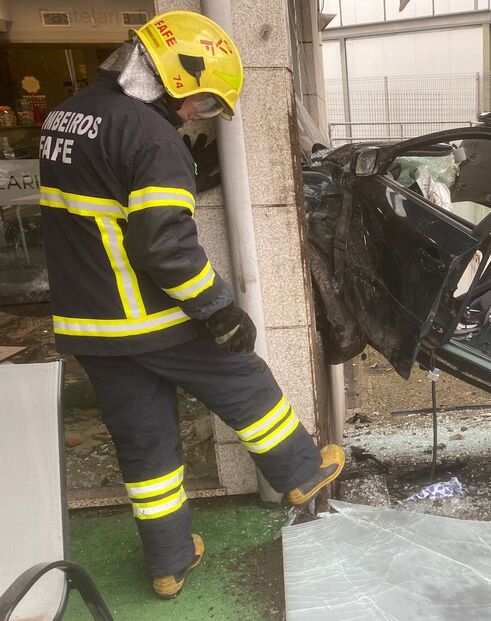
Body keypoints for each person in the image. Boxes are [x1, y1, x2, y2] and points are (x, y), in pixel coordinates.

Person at [38, 11, 344, 599]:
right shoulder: (151, 137)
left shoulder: (66, 114)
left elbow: (103, 198)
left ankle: (169, 562)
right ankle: (302, 473)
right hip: (149, 317)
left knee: (145, 445)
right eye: (197, 102)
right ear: (170, 79)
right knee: (242, 379)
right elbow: (164, 246)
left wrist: (180, 174)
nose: (192, 116)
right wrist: (220, 309)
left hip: (88, 325)